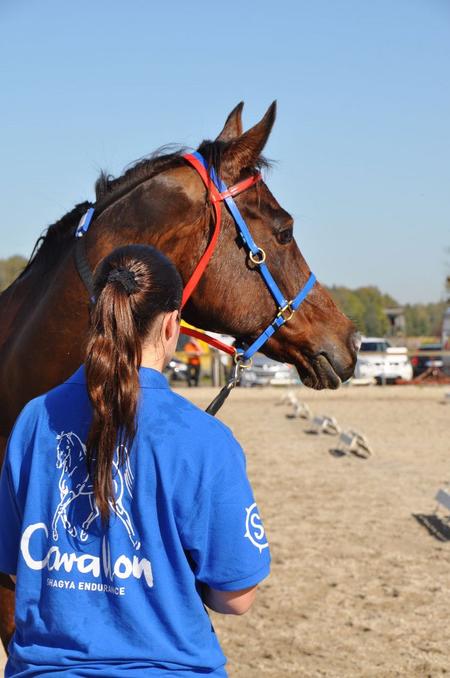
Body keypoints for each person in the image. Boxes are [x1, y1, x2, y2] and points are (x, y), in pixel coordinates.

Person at [0, 244, 270, 677]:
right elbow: (235, 597)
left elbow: (14, 567)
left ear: (96, 316)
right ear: (170, 326)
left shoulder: (35, 420)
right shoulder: (204, 439)